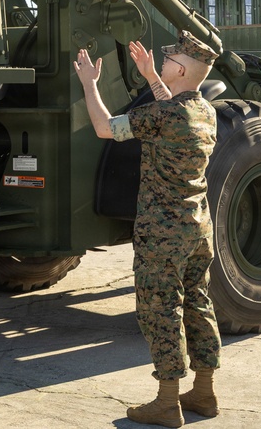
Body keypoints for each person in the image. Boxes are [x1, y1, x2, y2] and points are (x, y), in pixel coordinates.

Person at [74, 31, 223, 428]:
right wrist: (151, 76)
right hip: (198, 228)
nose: (163, 60)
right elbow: (171, 108)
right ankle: (204, 392)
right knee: (197, 303)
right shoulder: (204, 111)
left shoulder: (163, 115)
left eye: (168, 60)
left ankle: (167, 402)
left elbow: (106, 127)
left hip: (162, 233)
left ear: (180, 70)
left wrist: (89, 84)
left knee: (161, 310)